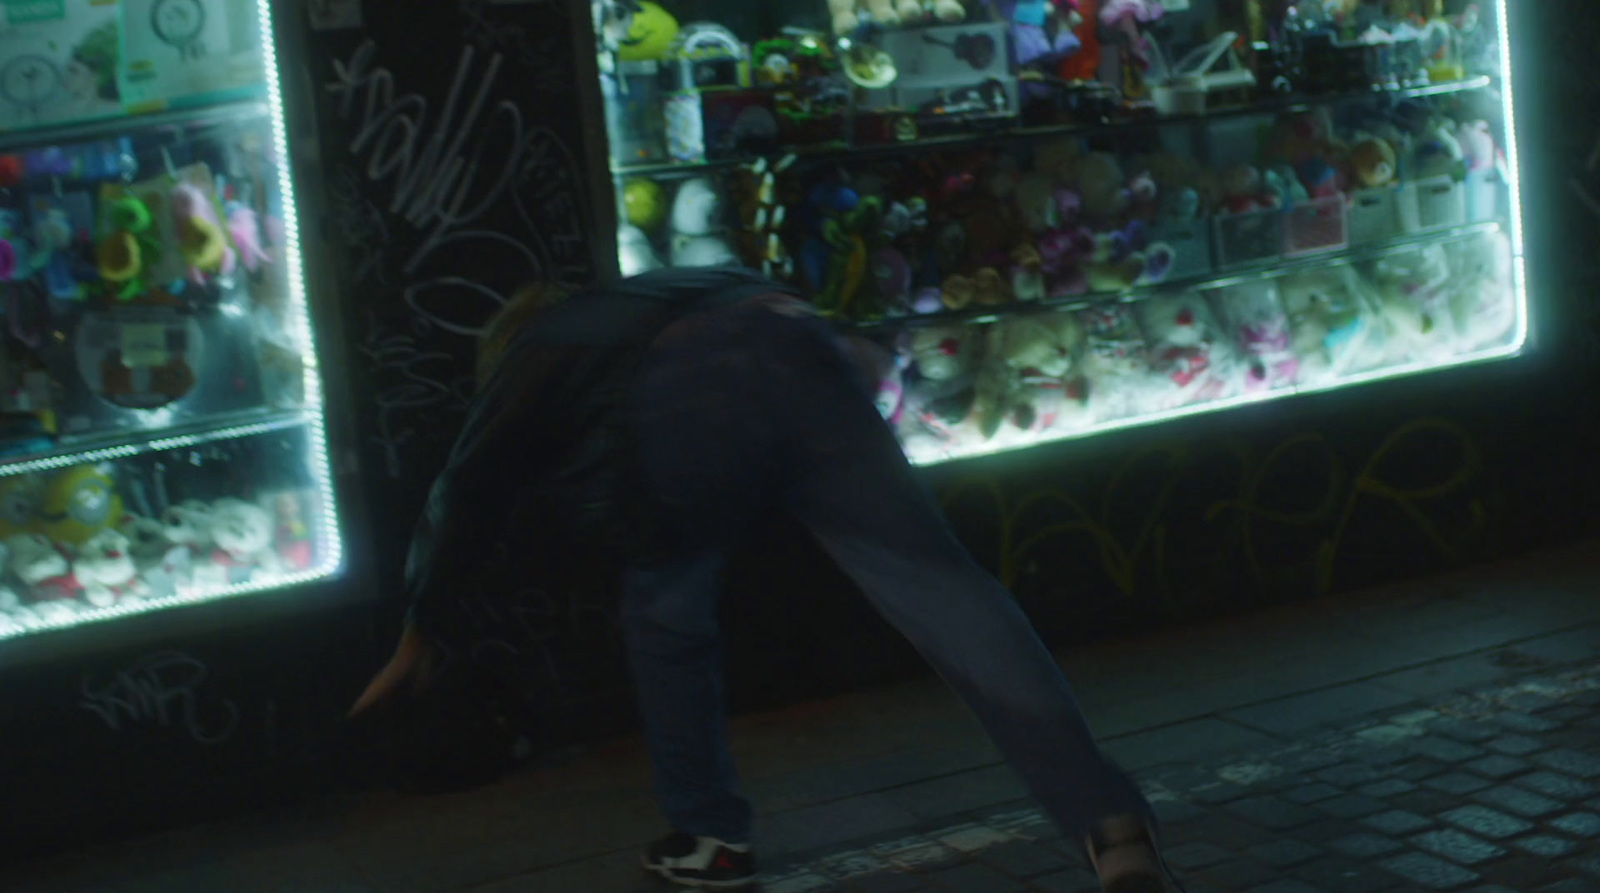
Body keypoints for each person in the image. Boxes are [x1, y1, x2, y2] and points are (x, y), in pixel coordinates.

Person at [351, 267, 1180, 893]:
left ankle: (711, 836)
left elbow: (467, 484)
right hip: (797, 341)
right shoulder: (663, 290)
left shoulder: (539, 347)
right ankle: (1109, 823)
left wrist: (423, 626)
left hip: (690, 393)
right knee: (944, 590)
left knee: (665, 604)